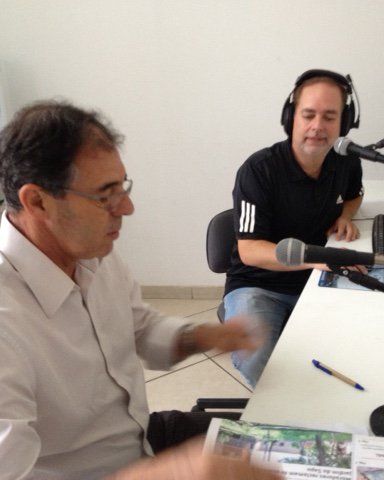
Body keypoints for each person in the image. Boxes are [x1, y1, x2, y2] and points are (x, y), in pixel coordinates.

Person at [0, 101, 281, 480]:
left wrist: (204, 336)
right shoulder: (7, 318)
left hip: (139, 437)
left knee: (303, 451)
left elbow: (137, 327)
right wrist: (168, 474)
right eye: (105, 194)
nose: (127, 207)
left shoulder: (91, 253)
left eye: (123, 187)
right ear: (38, 202)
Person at [224, 69, 365, 388]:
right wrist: (318, 259)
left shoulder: (346, 161)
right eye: (308, 115)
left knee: (363, 343)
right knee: (256, 359)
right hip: (259, 284)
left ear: (343, 123)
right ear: (291, 118)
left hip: (318, 278)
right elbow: (250, 250)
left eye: (329, 117)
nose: (318, 126)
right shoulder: (258, 170)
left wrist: (346, 215)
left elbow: (355, 195)